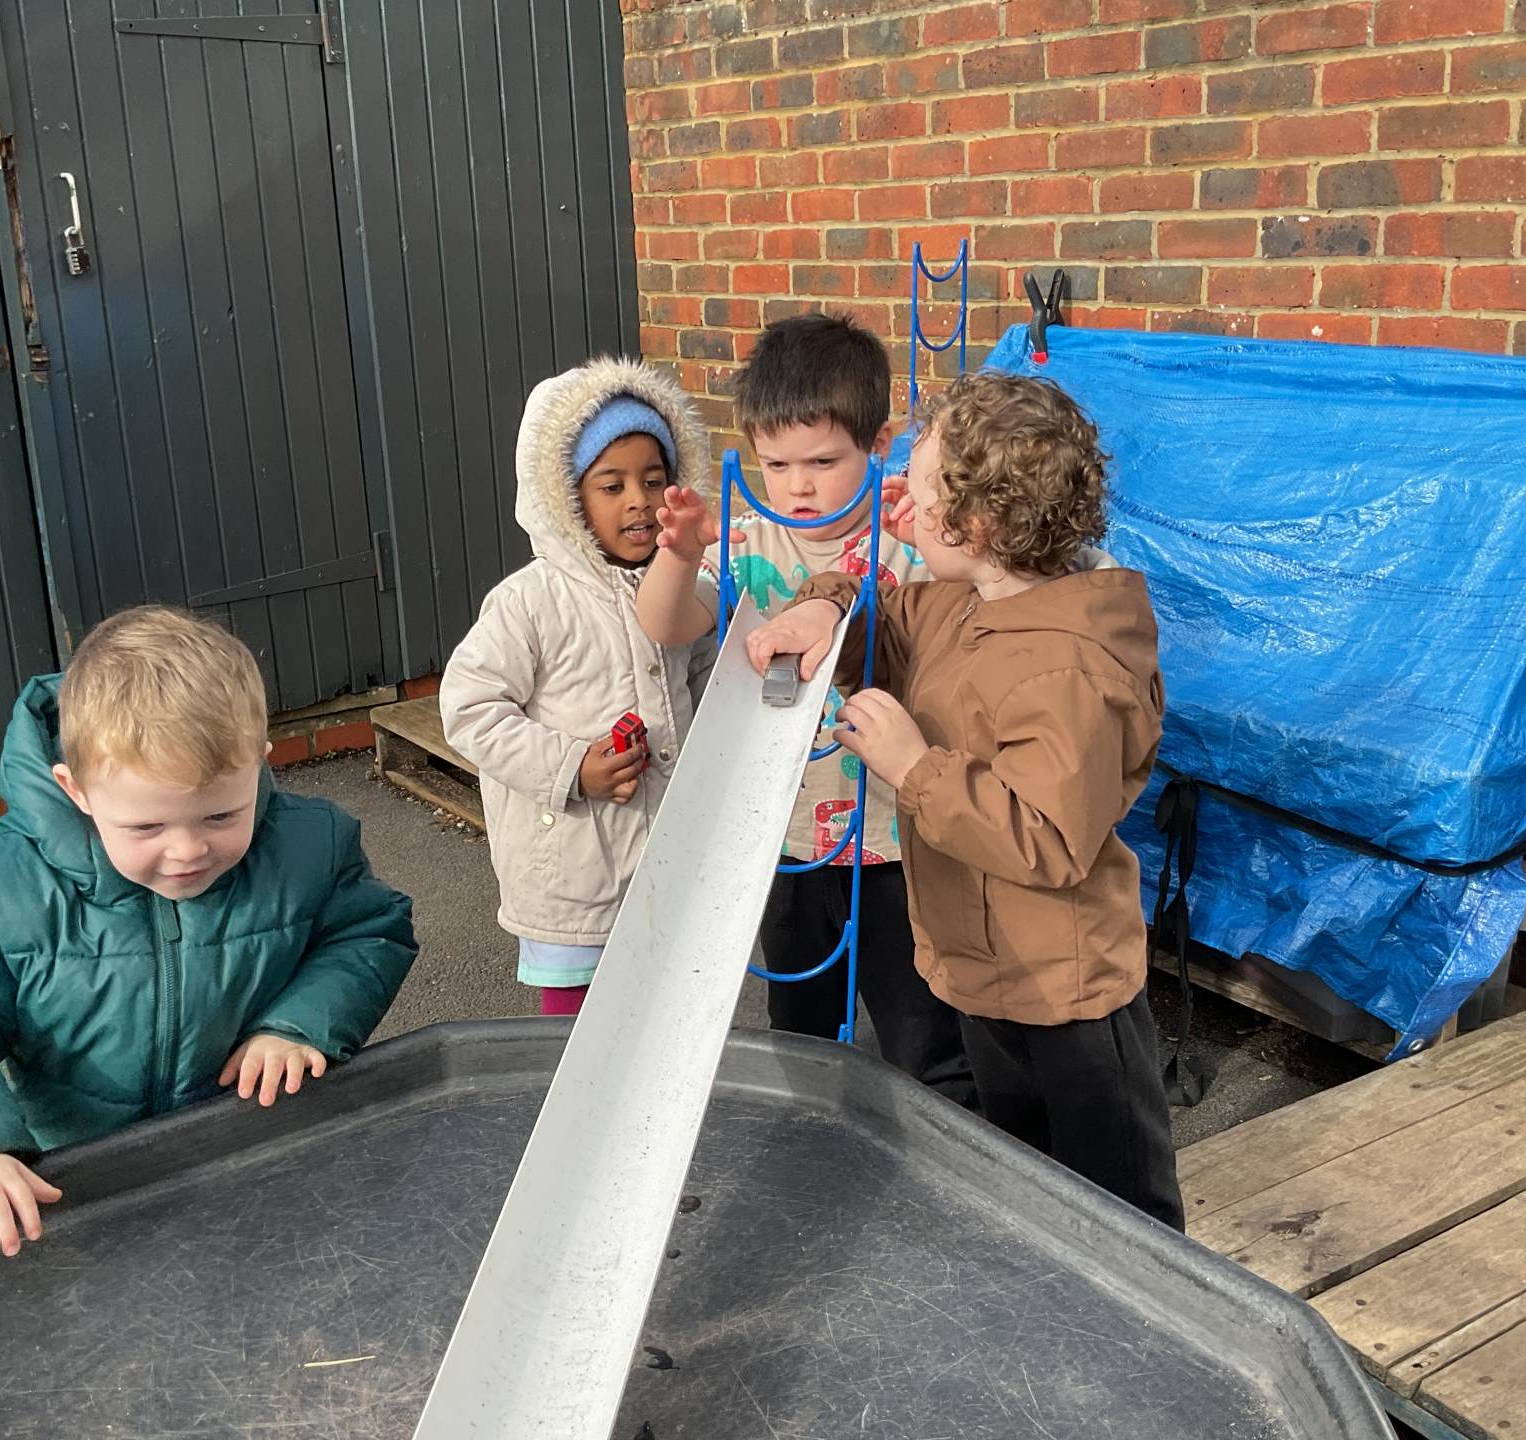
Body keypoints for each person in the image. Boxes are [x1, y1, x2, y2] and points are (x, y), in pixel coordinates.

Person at [745, 371, 1184, 1229]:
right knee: (1020, 1184)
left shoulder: (1068, 666)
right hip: (984, 972)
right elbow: (885, 618)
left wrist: (914, 767)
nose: (899, 501)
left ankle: (1159, 1313)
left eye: (921, 487)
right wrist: (823, 610)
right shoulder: (965, 601)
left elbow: (1048, 838)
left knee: (1120, 1206)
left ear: (977, 526)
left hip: (1066, 991)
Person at [0, 606, 418, 1258]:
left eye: (220, 815)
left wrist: (299, 1024)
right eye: (147, 827)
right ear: (76, 791)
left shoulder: (308, 845)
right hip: (85, 1180)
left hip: (253, 1145)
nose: (188, 851)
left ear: (259, 763)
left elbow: (367, 932)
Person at [637, 313, 975, 1109]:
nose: (798, 484)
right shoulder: (745, 544)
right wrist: (679, 557)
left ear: (878, 443)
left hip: (897, 841)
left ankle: (935, 1152)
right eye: (776, 463)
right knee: (799, 1031)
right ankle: (813, 1147)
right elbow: (666, 624)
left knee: (924, 1034)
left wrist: (936, 540)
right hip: (781, 835)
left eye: (823, 461)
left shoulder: (914, 544)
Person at [441, 357, 715, 1017]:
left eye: (654, 480)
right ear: (567, 498)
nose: (639, 500)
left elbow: (706, 686)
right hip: (575, 874)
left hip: (668, 860)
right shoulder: (530, 602)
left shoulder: (685, 587)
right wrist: (572, 767)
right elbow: (469, 709)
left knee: (668, 1019)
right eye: (611, 485)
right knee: (579, 1039)